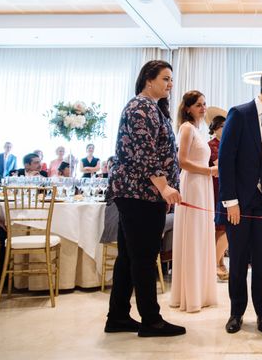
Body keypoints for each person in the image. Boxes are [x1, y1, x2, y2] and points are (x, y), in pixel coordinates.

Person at [104, 60, 185, 338]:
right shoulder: (140, 107)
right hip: (140, 194)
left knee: (129, 257)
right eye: (165, 78)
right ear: (148, 80)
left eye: (171, 79)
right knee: (144, 257)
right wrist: (164, 188)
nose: (170, 84)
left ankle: (117, 317)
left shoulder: (151, 108)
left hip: (141, 193)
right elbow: (145, 154)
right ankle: (151, 320)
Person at [218, 66, 262, 335]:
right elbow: (226, 160)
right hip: (237, 203)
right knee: (236, 261)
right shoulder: (239, 113)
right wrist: (230, 201)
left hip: (261, 205)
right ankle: (236, 312)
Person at [170, 90, 218, 313]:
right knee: (193, 234)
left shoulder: (198, 130)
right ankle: (189, 294)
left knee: (202, 235)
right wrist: (209, 170)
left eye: (204, 104)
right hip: (193, 184)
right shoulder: (186, 128)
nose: (203, 108)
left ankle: (202, 291)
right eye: (198, 104)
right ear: (188, 108)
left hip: (203, 185)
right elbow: (183, 162)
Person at [208, 115, 229, 281]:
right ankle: (216, 263)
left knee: (222, 227)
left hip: (226, 187)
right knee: (220, 227)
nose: (224, 129)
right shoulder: (212, 145)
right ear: (215, 128)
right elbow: (220, 166)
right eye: (221, 126)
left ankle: (219, 262)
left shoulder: (228, 143)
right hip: (217, 188)